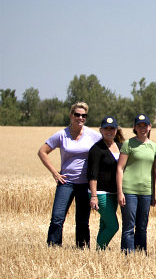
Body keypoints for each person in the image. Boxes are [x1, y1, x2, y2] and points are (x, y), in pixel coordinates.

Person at [37, 102, 102, 248]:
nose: (80, 118)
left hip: (85, 183)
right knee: (57, 217)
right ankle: (53, 247)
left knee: (82, 221)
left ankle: (82, 248)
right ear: (71, 115)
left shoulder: (92, 135)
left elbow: (108, 145)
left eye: (83, 115)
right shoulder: (62, 135)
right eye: (77, 114)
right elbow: (42, 151)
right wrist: (55, 173)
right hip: (66, 182)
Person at [116, 114, 156, 253]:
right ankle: (128, 255)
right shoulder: (128, 144)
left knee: (142, 227)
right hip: (129, 190)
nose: (142, 128)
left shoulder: (153, 147)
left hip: (146, 191)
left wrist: (153, 193)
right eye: (139, 126)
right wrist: (120, 192)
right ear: (135, 128)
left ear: (149, 127)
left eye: (145, 125)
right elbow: (120, 168)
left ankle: (140, 255)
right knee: (128, 226)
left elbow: (153, 172)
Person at [87, 116, 124, 250]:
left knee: (104, 223)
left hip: (115, 192)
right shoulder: (96, 150)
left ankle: (101, 251)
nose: (109, 131)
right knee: (113, 226)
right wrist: (94, 196)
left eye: (112, 128)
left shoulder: (121, 146)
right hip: (101, 193)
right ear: (101, 130)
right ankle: (99, 247)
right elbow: (93, 175)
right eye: (106, 128)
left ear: (116, 130)